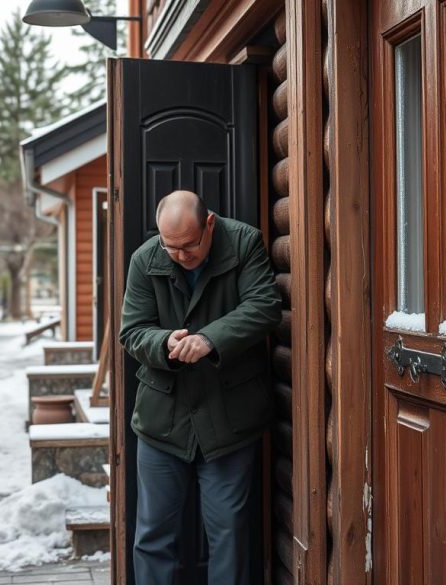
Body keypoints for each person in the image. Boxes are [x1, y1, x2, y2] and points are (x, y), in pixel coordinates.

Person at [118, 190, 281, 585]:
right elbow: (132, 332)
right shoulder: (145, 258)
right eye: (169, 247)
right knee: (153, 537)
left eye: (189, 246)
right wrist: (163, 344)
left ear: (209, 224)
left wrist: (210, 339)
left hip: (228, 418)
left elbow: (264, 305)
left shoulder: (245, 242)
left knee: (229, 534)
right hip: (162, 421)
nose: (179, 256)